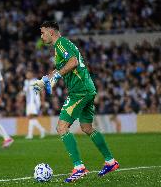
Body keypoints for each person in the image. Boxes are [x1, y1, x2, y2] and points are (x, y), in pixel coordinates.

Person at [33, 21, 119, 183]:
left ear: (51, 32)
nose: (41, 36)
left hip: (79, 91)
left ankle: (79, 167)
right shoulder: (61, 46)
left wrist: (57, 76)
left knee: (61, 127)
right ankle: (110, 161)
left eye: (43, 33)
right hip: (86, 88)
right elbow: (61, 68)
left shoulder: (61, 44)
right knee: (86, 127)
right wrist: (44, 81)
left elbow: (73, 62)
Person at [23, 70, 46, 139]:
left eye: (29, 74)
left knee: (31, 116)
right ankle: (41, 131)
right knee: (30, 118)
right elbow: (24, 92)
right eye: (26, 74)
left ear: (32, 74)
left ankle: (31, 134)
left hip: (35, 102)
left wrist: (42, 100)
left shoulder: (36, 81)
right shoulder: (26, 82)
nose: (27, 75)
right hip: (28, 102)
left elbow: (42, 91)